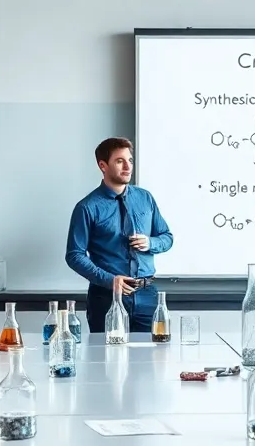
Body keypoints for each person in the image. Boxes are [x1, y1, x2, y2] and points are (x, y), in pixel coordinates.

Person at [65, 137, 174, 333]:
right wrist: (110, 279)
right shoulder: (87, 207)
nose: (127, 167)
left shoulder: (145, 198)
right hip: (106, 296)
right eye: (119, 161)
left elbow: (167, 237)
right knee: (107, 360)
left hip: (148, 295)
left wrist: (150, 243)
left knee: (152, 359)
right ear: (102, 165)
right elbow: (74, 255)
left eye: (130, 160)